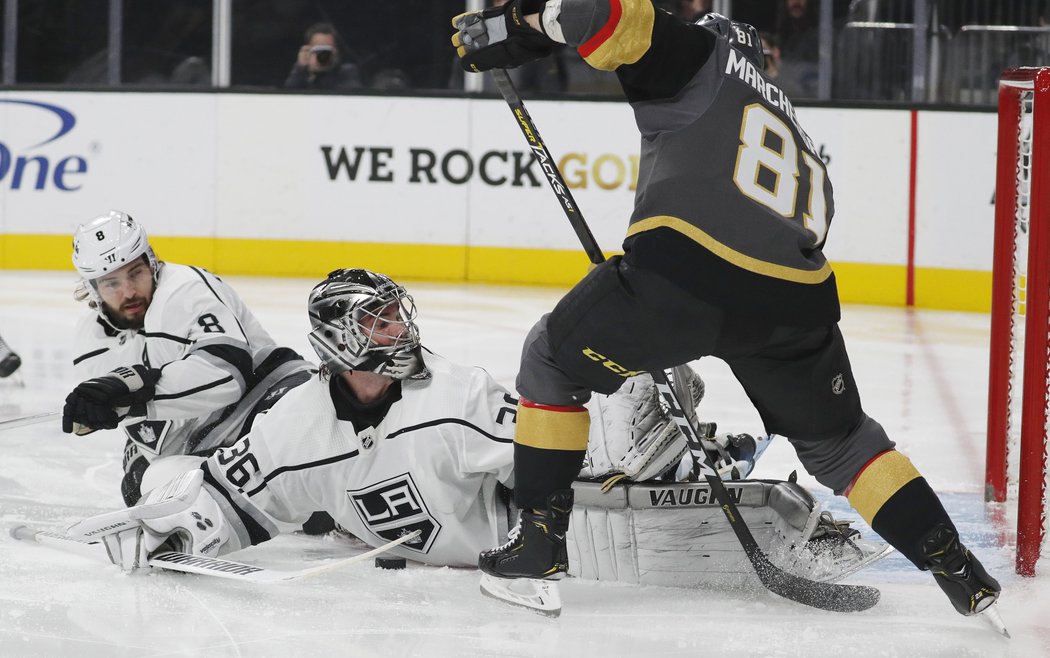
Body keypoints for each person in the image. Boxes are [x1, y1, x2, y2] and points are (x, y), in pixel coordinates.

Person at [450, 3, 1001, 618]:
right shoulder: (795, 132)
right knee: (845, 446)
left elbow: (598, 12)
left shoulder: (701, 57)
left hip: (684, 274)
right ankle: (959, 569)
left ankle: (538, 551)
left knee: (550, 359)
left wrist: (515, 28)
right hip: (793, 301)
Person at [66, 269, 884, 589]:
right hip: (429, 576)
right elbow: (226, 495)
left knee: (619, 437)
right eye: (379, 324)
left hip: (513, 536)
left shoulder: (452, 395)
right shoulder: (293, 428)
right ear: (339, 342)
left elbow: (549, 446)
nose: (398, 331)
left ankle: (711, 452)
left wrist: (633, 415)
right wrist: (166, 528)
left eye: (396, 317)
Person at [63, 210, 315, 508]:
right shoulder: (89, 342)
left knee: (300, 440)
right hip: (202, 436)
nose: (129, 291)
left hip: (267, 393)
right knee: (140, 487)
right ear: (93, 290)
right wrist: (104, 408)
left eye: (135, 273)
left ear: (152, 262)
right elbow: (135, 406)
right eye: (111, 284)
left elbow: (228, 374)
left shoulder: (184, 290)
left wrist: (138, 394)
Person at [283, 22, 363, 91]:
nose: (323, 54)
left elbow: (351, 92)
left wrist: (324, 72)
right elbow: (289, 96)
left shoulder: (347, 71)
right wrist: (300, 69)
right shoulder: (302, 73)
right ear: (309, 51)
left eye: (327, 49)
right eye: (318, 49)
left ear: (336, 51)